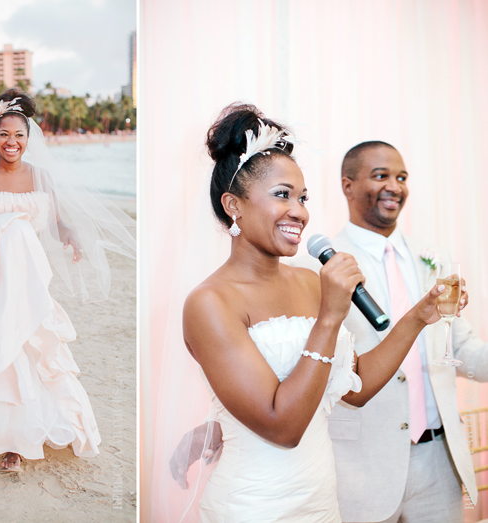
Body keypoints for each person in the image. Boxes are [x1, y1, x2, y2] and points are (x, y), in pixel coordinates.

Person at [175, 104, 459, 522]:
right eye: (282, 195)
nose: (299, 211)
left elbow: (355, 388)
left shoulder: (309, 281)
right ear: (233, 205)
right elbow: (283, 427)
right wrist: (328, 316)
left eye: (303, 197)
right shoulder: (210, 303)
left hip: (322, 500)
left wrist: (419, 315)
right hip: (255, 505)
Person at [0, 88, 136, 471]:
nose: (11, 142)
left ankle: (30, 427)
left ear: (28, 138)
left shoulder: (43, 178)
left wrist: (69, 234)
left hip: (31, 282)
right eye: (4, 135)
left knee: (34, 351)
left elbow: (55, 223)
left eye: (19, 135)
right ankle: (11, 441)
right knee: (5, 353)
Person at [326, 141, 488, 523]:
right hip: (360, 465)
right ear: (347, 185)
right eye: (381, 176)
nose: (395, 187)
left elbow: (460, 346)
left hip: (438, 461)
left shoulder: (434, 257)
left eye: (401, 177)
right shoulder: (325, 263)